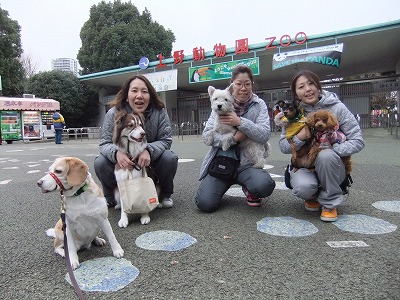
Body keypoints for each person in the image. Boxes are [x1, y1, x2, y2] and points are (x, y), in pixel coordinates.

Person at [280, 70, 364, 222]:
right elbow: (284, 147)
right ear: (296, 93)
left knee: (325, 155)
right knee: (302, 188)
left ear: (318, 86)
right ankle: (313, 195)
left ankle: (330, 203)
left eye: (311, 83)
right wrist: (299, 138)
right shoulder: (293, 114)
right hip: (306, 165)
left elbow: (358, 141)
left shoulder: (337, 108)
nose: (307, 89)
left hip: (331, 165)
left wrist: (333, 150)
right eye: (301, 87)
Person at [195, 65, 276, 213]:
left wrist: (240, 122)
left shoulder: (259, 105)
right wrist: (233, 139)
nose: (243, 88)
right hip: (222, 161)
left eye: (247, 83)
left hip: (247, 163)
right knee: (205, 203)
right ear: (232, 86)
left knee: (264, 185)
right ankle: (221, 184)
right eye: (239, 84)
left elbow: (264, 134)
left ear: (252, 84)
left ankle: (248, 186)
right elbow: (207, 136)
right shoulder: (218, 106)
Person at [94, 74, 178, 208]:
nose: (139, 95)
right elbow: (104, 143)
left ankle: (164, 195)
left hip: (150, 164)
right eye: (134, 91)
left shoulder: (159, 112)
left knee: (169, 158)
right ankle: (111, 197)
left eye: (144, 91)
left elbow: (166, 140)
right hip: (123, 161)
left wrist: (148, 150)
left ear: (150, 97)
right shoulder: (114, 113)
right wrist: (117, 154)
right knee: (100, 162)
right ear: (127, 96)